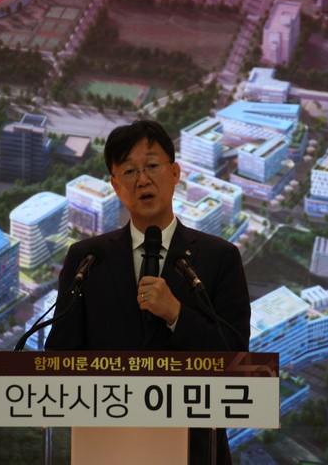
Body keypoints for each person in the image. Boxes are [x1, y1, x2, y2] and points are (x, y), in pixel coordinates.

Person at [44, 119, 251, 463]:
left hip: (195, 449)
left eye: (152, 166)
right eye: (129, 171)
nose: (142, 180)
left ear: (175, 172)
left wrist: (176, 314)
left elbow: (237, 358)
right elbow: (60, 355)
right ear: (115, 186)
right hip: (105, 446)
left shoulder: (220, 257)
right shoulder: (88, 258)